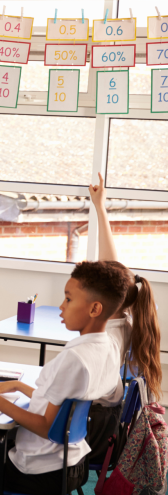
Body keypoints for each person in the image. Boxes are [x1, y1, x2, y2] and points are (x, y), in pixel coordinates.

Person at [0, 260, 129, 495]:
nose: (61, 307)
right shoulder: (108, 347)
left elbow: (46, 426)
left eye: (68, 299)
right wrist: (19, 386)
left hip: (39, 471)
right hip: (74, 463)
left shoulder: (74, 358)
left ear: (95, 309)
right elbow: (64, 406)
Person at [87, 172, 163, 462]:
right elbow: (113, 269)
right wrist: (100, 207)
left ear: (100, 304)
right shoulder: (125, 320)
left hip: (86, 429)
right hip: (102, 421)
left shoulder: (101, 338)